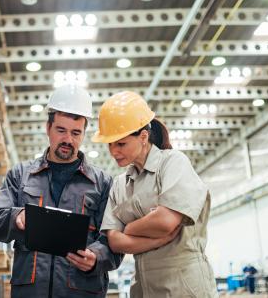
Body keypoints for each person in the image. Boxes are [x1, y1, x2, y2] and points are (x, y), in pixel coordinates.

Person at [0, 85, 123, 298]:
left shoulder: (103, 183)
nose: (68, 139)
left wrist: (96, 257)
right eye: (61, 130)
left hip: (81, 291)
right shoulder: (21, 175)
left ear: (84, 134)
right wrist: (16, 216)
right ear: (48, 128)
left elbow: (114, 241)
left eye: (76, 133)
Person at [92, 91, 218, 298]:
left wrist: (130, 228)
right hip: (143, 286)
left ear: (143, 137)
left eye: (121, 143)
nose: (113, 152)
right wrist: (157, 241)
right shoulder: (119, 185)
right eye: (110, 144)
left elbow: (165, 221)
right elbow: (115, 242)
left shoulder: (173, 163)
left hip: (184, 286)